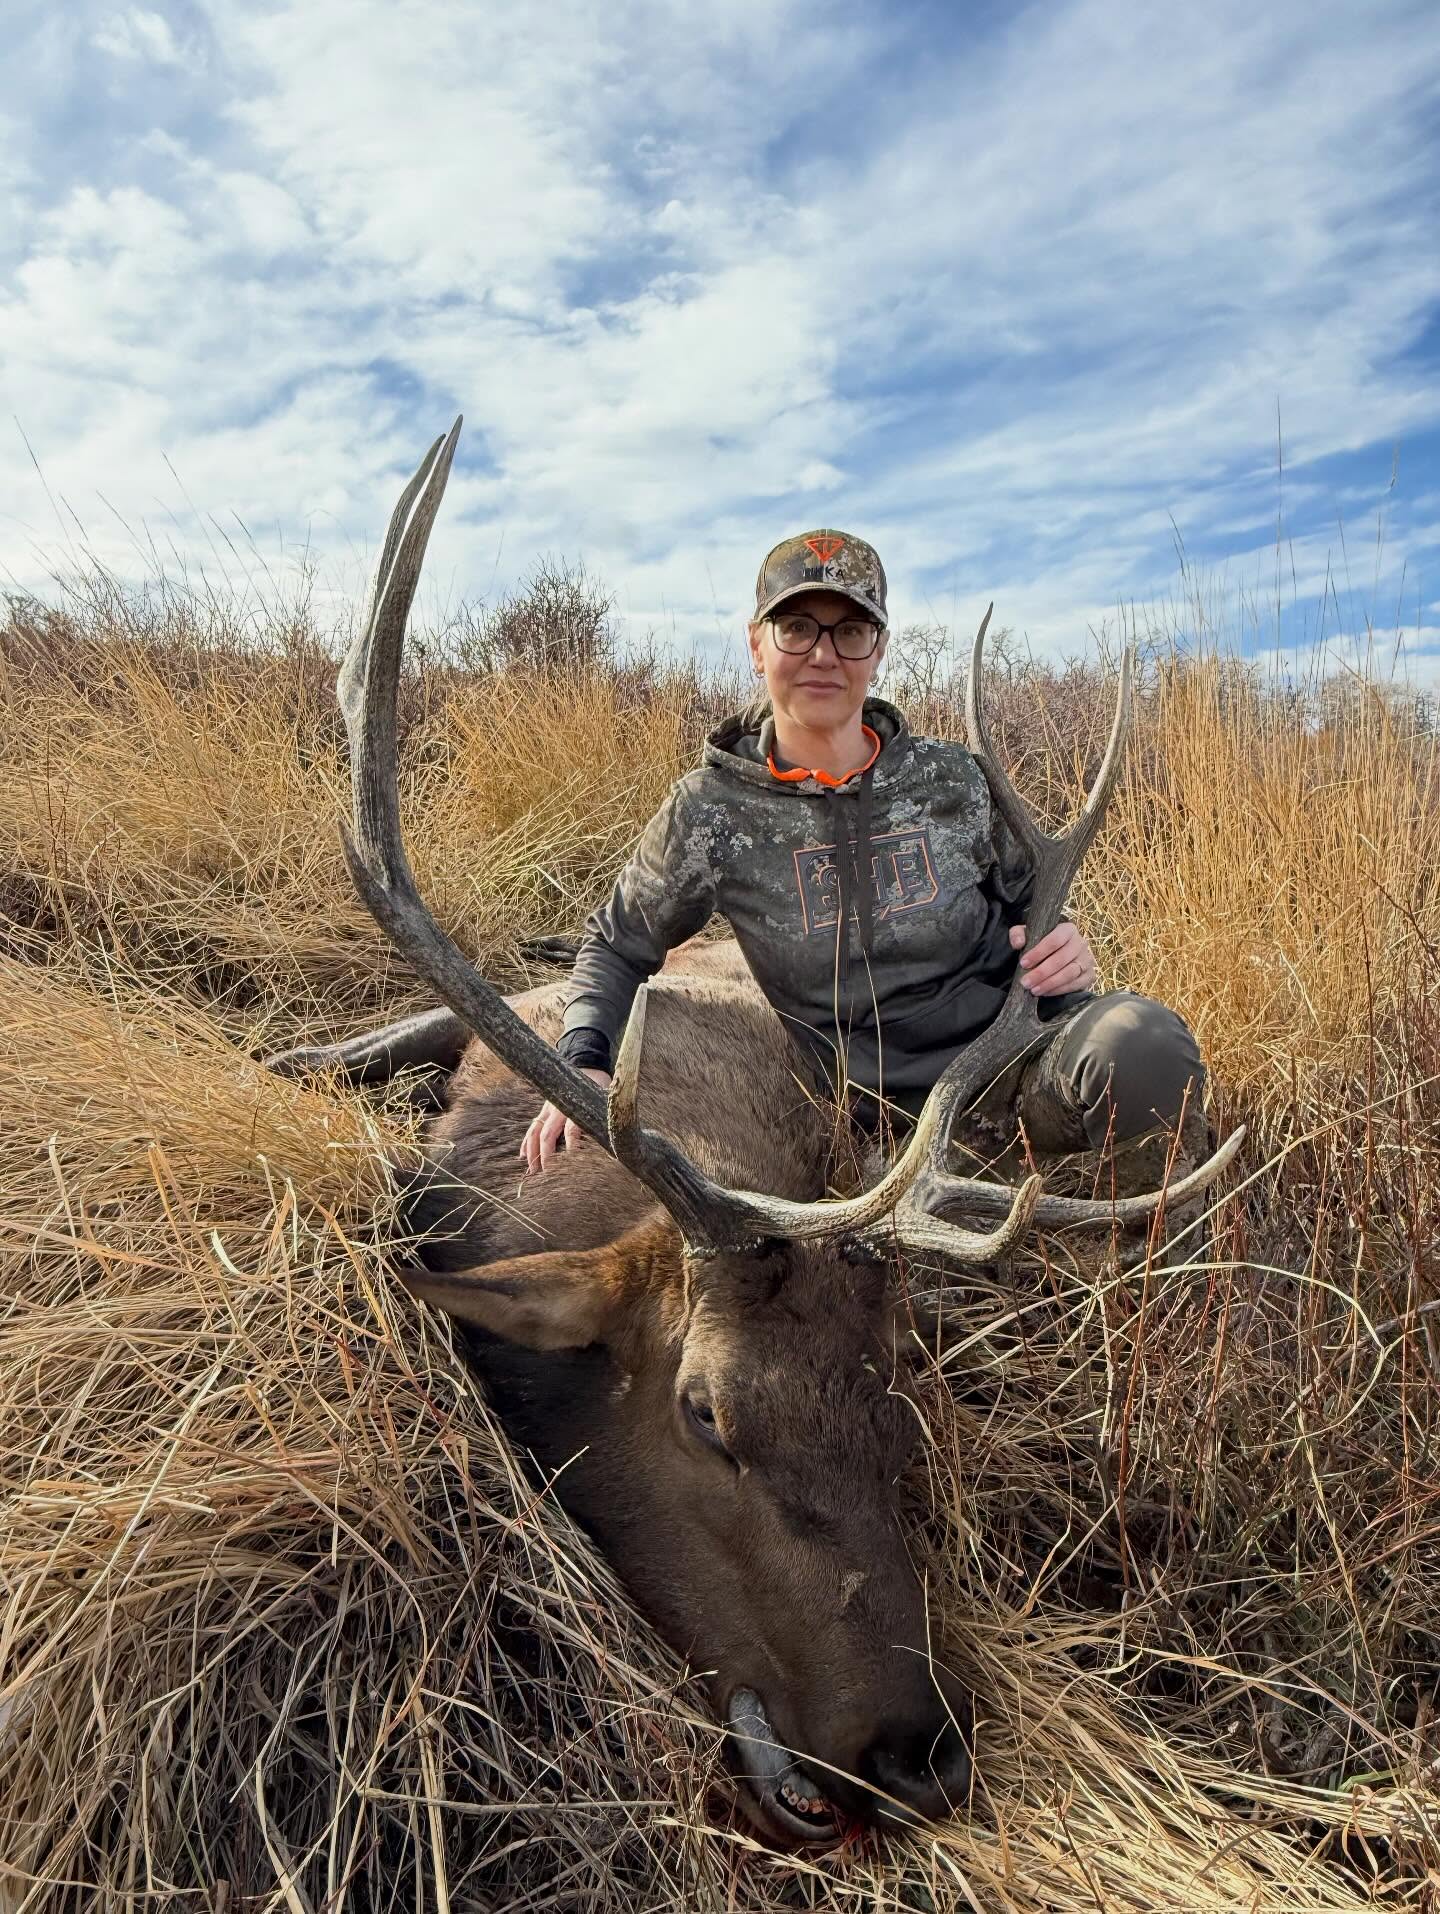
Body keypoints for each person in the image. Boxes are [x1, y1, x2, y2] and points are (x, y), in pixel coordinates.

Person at [522, 529, 1206, 1195]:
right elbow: (615, 945)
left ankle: (1135, 1254)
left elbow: (1037, 906)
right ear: (756, 646)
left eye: (851, 632)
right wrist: (584, 1062)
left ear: (878, 650)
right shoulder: (712, 812)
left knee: (1143, 1043)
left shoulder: (952, 780)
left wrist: (1067, 952)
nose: (824, 654)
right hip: (860, 1133)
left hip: (1016, 1067)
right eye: (796, 628)